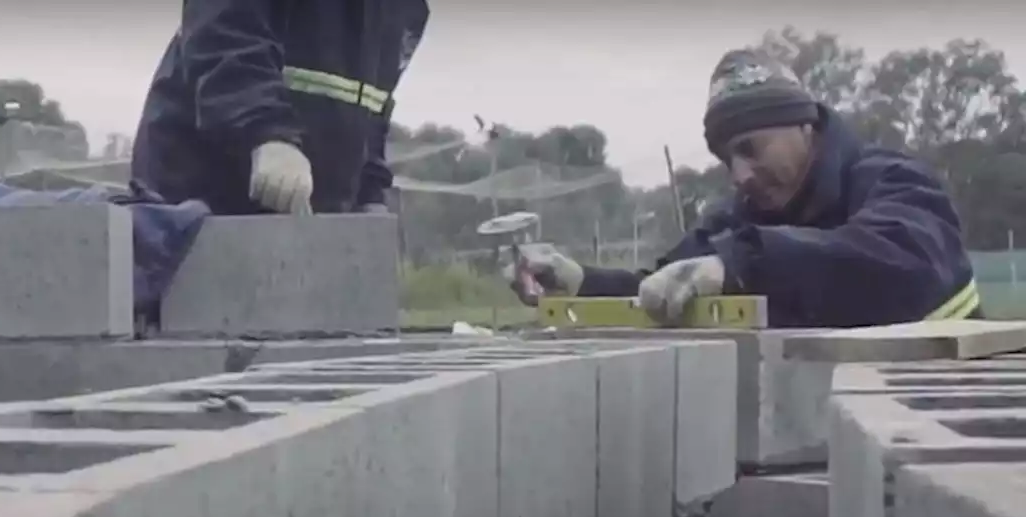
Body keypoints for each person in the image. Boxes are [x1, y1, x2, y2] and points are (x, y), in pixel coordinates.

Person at [514, 49, 981, 327]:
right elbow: (663, 287)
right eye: (727, 160)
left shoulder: (897, 182)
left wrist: (741, 264)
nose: (739, 175)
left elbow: (902, 268)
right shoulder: (740, 220)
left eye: (750, 149)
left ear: (803, 125)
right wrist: (583, 283)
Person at [131, 1, 429, 216]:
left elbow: (372, 106)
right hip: (198, 201)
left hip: (306, 221)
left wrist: (369, 193)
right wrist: (267, 134)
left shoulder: (406, 9)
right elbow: (227, 33)